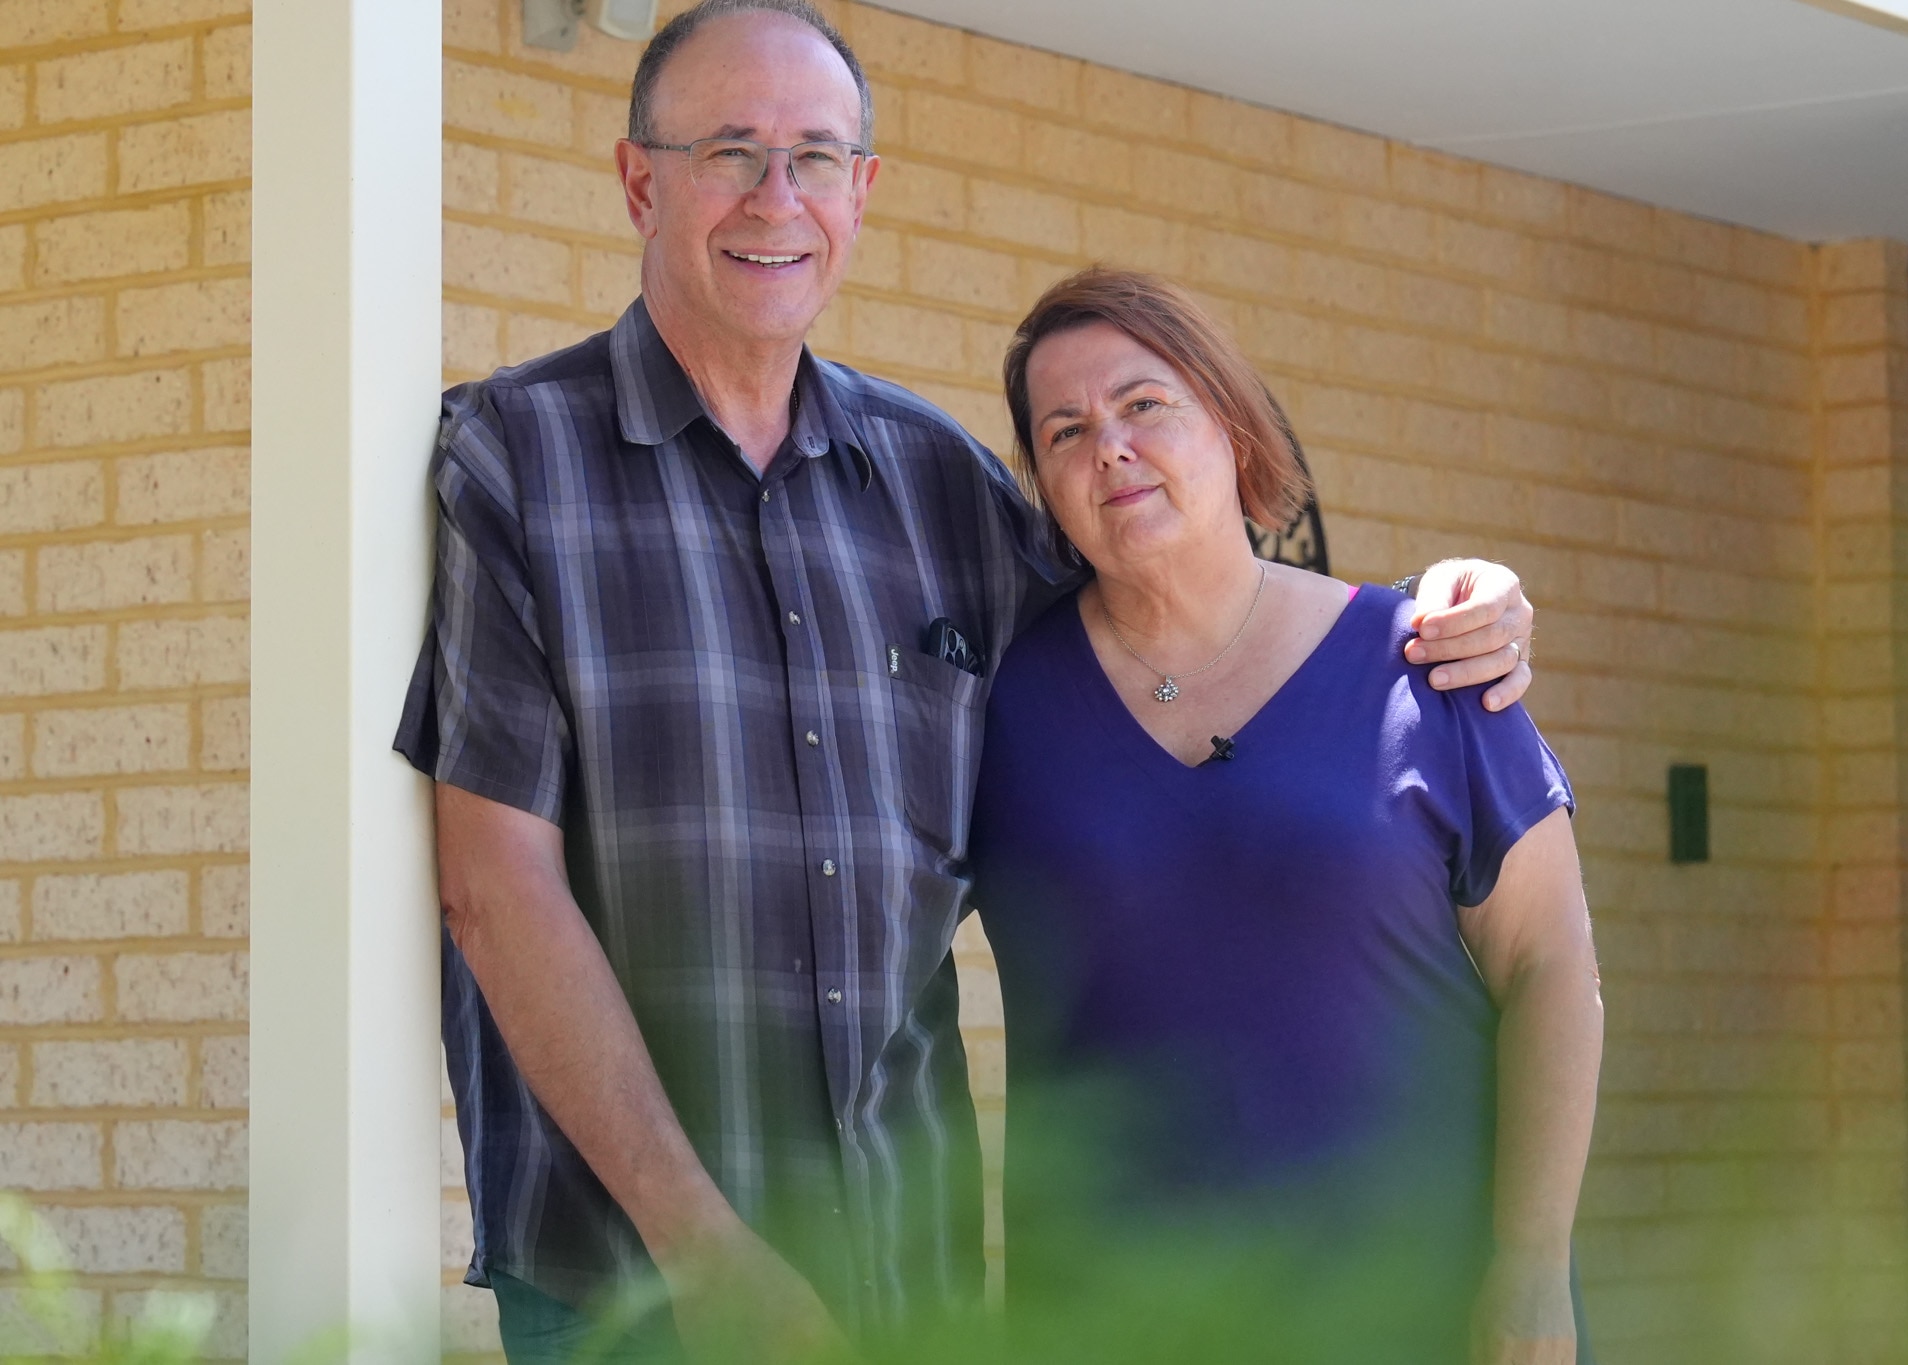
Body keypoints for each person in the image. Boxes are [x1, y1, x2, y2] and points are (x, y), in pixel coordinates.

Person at [395, 3, 1540, 1360]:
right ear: (641, 178)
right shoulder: (516, 458)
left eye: (817, 157)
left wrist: (1425, 612)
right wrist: (702, 1250)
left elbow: (1178, 630)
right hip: (630, 1291)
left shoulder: (944, 486)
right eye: (731, 152)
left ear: (863, 193)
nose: (780, 197)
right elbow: (494, 887)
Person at [968, 268, 1603, 1365]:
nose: (1106, 446)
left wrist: (1531, 1266)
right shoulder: (997, 703)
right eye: (1062, 430)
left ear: (1226, 421)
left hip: (1423, 1309)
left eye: (1142, 404)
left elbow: (1549, 968)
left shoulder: (1426, 662)